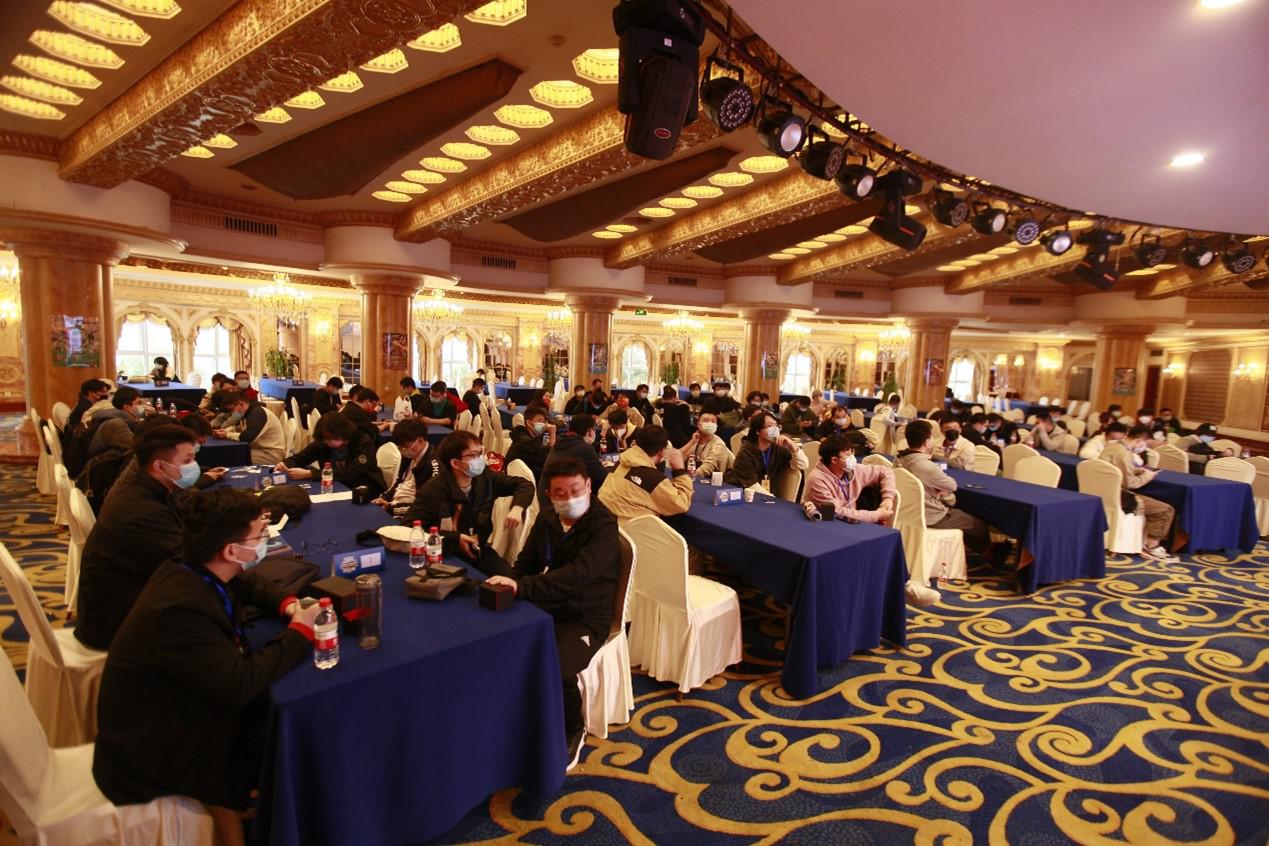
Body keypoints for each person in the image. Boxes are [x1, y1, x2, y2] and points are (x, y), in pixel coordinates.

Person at [93, 489, 321, 846]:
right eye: (260, 535)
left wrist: (287, 604)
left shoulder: (191, 566)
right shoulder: (179, 611)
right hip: (147, 748)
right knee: (269, 714)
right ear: (231, 551)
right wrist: (300, 633)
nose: (265, 540)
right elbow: (239, 683)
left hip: (163, 709)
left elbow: (248, 582)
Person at [484, 457, 620, 768]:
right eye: (560, 493)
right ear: (549, 494)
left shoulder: (603, 525)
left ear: (589, 485)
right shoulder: (547, 518)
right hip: (550, 603)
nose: (570, 498)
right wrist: (511, 584)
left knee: (554, 667)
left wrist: (522, 588)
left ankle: (573, 727)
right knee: (497, 637)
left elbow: (577, 576)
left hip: (586, 616)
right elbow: (527, 563)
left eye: (576, 490)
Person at [75, 425, 202, 650]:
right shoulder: (141, 511)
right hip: (119, 623)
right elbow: (190, 568)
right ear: (160, 466)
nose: (194, 466)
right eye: (188, 460)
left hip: (133, 599)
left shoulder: (150, 488)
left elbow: (186, 510)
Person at [403, 431, 533, 575]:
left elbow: (524, 485)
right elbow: (408, 529)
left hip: (478, 550)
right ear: (455, 463)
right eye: (473, 455)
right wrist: (455, 538)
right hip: (444, 553)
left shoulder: (485, 478)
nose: (480, 459)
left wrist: (517, 508)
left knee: (510, 580)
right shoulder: (432, 490)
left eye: (480, 452)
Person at [895, 420, 989, 553]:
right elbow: (952, 485)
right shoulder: (927, 466)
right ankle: (985, 557)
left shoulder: (899, 460)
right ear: (927, 442)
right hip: (932, 516)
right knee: (978, 525)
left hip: (906, 513)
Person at [1102, 425, 1179, 561]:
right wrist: (1148, 476)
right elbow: (1131, 483)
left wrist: (1138, 471)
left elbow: (1115, 470)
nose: (1144, 448)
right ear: (1139, 441)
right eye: (1145, 444)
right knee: (1165, 510)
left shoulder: (1112, 446)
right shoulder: (1124, 454)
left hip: (1104, 492)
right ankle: (1151, 546)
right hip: (1120, 496)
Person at [598, 424, 693, 521]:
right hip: (628, 527)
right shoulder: (652, 478)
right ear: (662, 451)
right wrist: (679, 471)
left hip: (605, 519)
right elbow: (682, 504)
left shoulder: (621, 462)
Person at [275, 412, 383, 494]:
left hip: (364, 488)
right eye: (324, 439)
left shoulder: (363, 443)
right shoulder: (323, 444)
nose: (326, 442)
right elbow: (300, 458)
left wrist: (311, 474)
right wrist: (286, 464)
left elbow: (351, 472)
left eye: (329, 438)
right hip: (333, 486)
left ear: (342, 433)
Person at [726, 411, 808, 492]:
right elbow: (752, 486)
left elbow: (803, 465)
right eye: (770, 426)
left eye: (776, 425)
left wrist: (793, 446)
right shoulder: (746, 452)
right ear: (758, 431)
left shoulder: (777, 448)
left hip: (767, 495)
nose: (775, 429)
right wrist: (772, 499)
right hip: (743, 494)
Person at [373, 419, 440, 513]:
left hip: (412, 513)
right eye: (400, 447)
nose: (403, 451)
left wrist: (391, 508)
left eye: (405, 447)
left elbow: (426, 505)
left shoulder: (433, 464)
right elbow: (398, 482)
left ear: (420, 440)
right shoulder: (409, 456)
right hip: (395, 505)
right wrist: (384, 498)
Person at [213, 389, 287, 466]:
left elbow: (248, 436)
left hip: (271, 454)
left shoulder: (258, 414)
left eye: (231, 409)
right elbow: (239, 427)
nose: (231, 413)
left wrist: (227, 435)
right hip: (260, 450)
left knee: (231, 457)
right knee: (230, 453)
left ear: (240, 405)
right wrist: (226, 431)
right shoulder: (249, 411)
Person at [549, 413, 608, 492]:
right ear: (590, 432)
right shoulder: (584, 448)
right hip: (560, 496)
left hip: (550, 492)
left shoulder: (561, 440)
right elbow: (602, 478)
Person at [506, 405, 555, 482]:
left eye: (545, 422)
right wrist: (552, 433)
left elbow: (545, 446)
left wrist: (547, 434)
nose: (545, 425)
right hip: (527, 483)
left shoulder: (523, 435)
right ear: (529, 423)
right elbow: (549, 461)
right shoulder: (527, 443)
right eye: (540, 421)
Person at [681, 411, 730, 479]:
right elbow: (680, 457)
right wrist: (692, 442)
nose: (710, 423)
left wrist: (690, 477)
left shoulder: (719, 444)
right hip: (694, 477)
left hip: (711, 480)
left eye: (713, 421)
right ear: (698, 424)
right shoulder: (696, 439)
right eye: (706, 420)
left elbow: (709, 466)